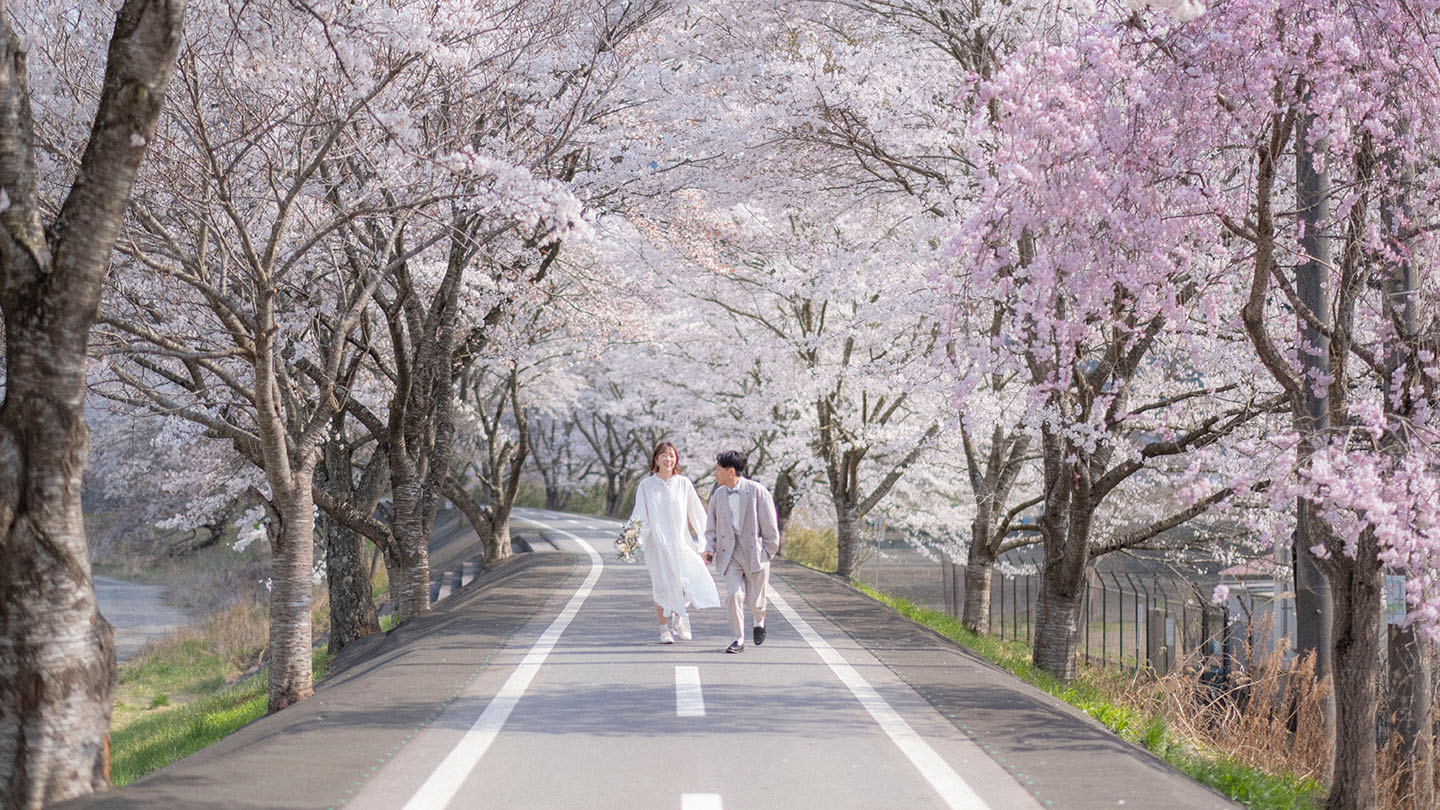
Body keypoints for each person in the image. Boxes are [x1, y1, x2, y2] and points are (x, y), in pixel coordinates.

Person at [627, 441, 720, 644]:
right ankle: (664, 629)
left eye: (671, 455)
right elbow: (640, 515)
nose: (668, 459)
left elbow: (697, 513)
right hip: (658, 545)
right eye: (663, 455)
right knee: (662, 586)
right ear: (656, 459)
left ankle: (679, 619)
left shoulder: (683, 483)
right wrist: (631, 542)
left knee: (688, 580)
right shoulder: (646, 486)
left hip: (682, 542)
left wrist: (707, 543)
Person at [702, 449, 780, 654]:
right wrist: (709, 549)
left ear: (731, 471)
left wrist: (768, 553)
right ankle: (738, 638)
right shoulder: (717, 495)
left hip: (755, 553)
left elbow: (771, 527)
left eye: (718, 470)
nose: (715, 474)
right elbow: (711, 527)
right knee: (733, 595)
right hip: (730, 554)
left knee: (755, 602)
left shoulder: (757, 491)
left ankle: (759, 620)